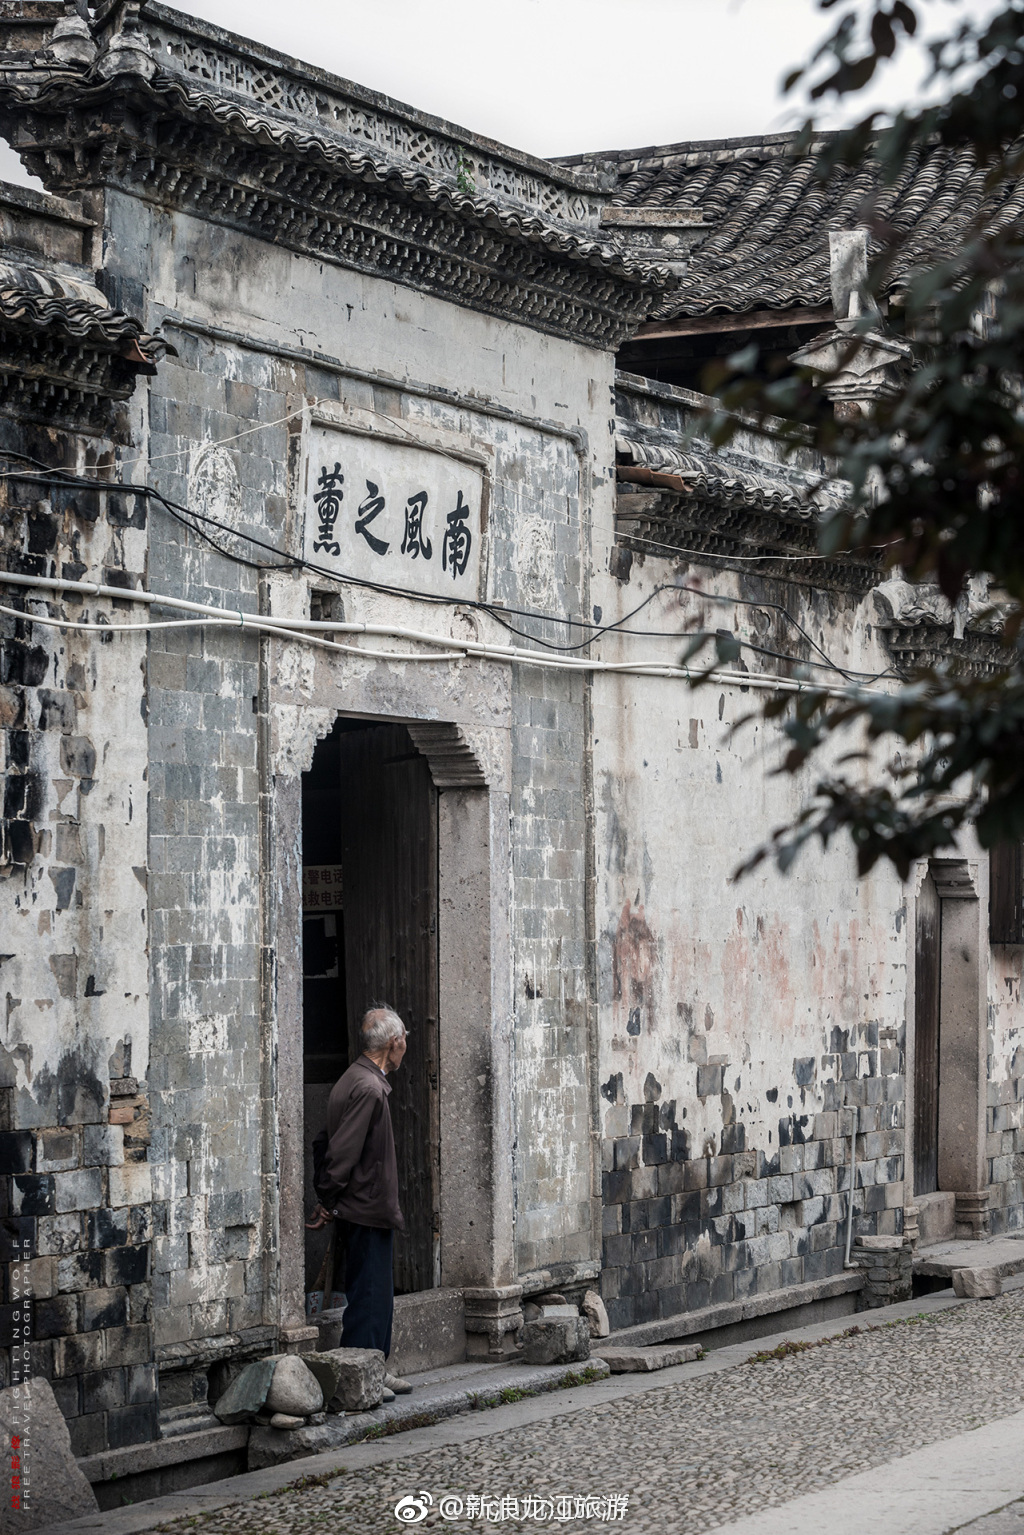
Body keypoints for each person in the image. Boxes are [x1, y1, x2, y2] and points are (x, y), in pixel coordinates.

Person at [307, 1006, 413, 1397]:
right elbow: (340, 1152)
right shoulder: (368, 1088)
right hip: (365, 1207)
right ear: (393, 1043)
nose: (406, 1045)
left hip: (366, 1206)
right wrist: (328, 1201)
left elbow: (325, 1142)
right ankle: (361, 1375)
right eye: (405, 1038)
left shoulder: (357, 1079)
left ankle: (376, 1368)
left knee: (378, 1294)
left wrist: (329, 1199)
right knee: (369, 1296)